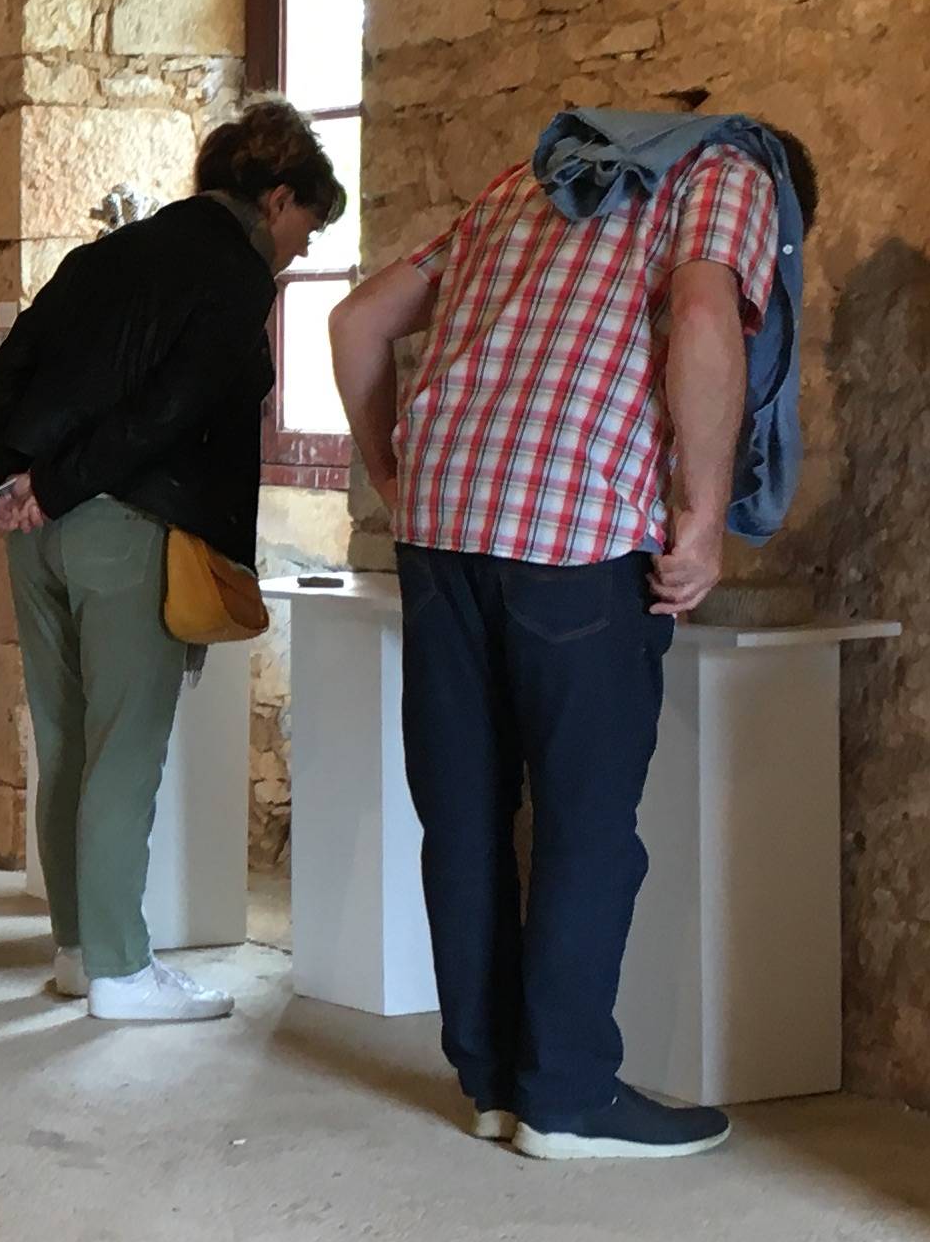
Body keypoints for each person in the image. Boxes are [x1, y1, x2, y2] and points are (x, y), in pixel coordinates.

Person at [326, 112, 817, 1164]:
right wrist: (702, 512)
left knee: (463, 814)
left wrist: (393, 475)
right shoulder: (729, 174)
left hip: (443, 529)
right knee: (586, 825)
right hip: (577, 532)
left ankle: (492, 1083)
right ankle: (567, 1096)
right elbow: (701, 316)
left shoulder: (522, 183)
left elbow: (361, 320)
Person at [0, 101, 340, 1024]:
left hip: (40, 530)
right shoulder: (230, 276)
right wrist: (56, 486)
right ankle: (122, 971)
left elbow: (8, 369)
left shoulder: (112, 253)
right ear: (277, 196)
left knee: (63, 742)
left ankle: (77, 949)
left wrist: (19, 482)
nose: (302, 247)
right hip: (129, 528)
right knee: (125, 749)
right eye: (307, 222)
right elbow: (169, 414)